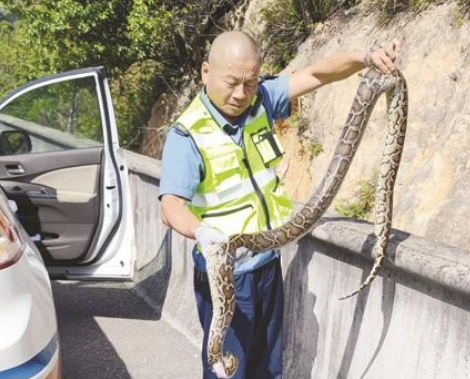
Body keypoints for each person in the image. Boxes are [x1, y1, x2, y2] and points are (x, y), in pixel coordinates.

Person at [159, 31, 400, 379]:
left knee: (268, 370)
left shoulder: (261, 100)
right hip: (227, 274)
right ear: (205, 72)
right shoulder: (187, 135)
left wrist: (365, 57)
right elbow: (170, 207)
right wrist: (202, 233)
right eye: (232, 83)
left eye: (251, 81)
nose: (241, 94)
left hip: (268, 266)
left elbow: (318, 74)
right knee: (229, 372)